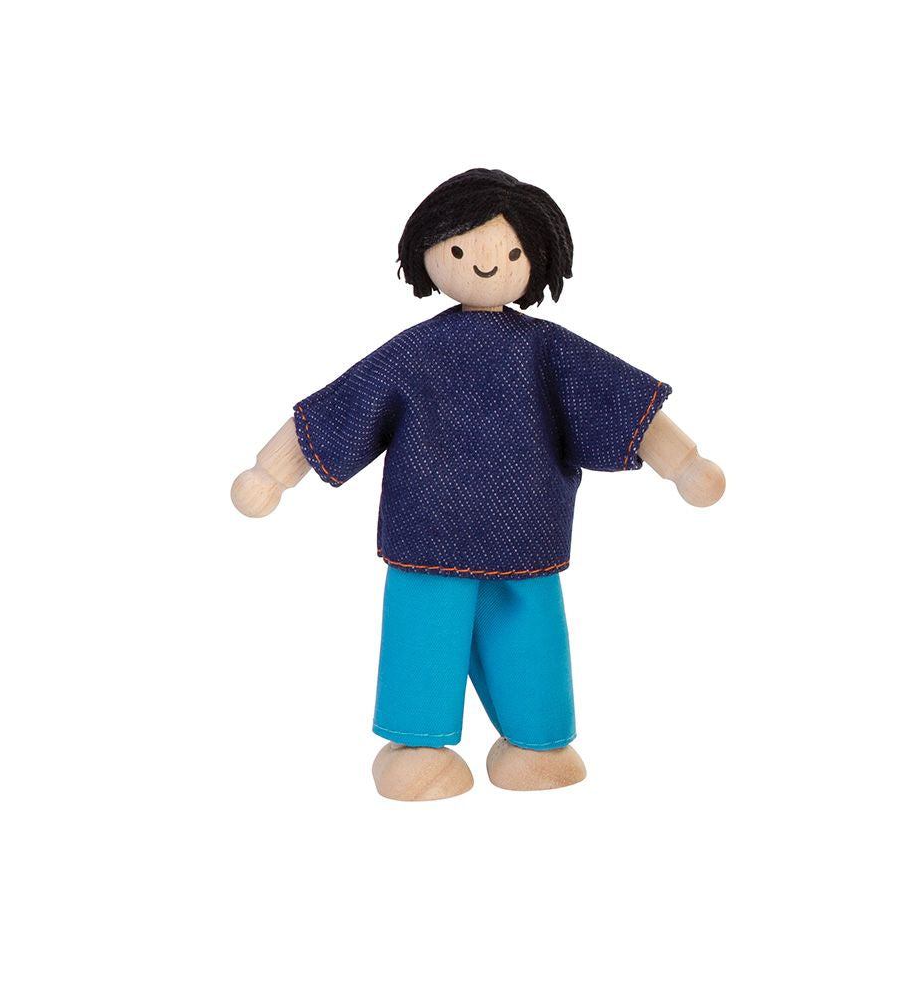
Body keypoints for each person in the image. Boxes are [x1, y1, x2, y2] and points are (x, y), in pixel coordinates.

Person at [232, 169, 724, 801]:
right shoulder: (415, 352)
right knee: (424, 634)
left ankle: (535, 743)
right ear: (430, 251)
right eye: (462, 249)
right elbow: (347, 405)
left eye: (512, 253)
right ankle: (416, 747)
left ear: (537, 259)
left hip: (525, 533)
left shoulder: (549, 350)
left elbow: (618, 402)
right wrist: (272, 473)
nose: (487, 265)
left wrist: (683, 463)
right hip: (429, 533)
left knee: (530, 635)